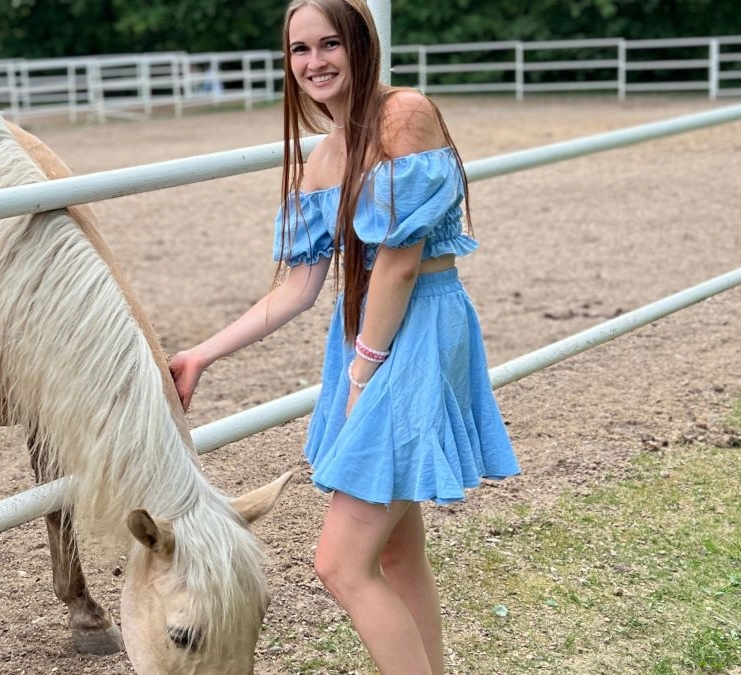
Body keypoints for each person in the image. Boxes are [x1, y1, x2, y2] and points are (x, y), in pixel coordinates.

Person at [167, 0, 521, 673]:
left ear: (362, 45)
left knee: (339, 563)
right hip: (370, 335)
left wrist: (362, 373)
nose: (314, 62)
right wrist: (202, 353)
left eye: (330, 44)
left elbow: (400, 260)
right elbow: (296, 287)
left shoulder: (402, 115)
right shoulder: (323, 159)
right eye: (300, 50)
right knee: (392, 551)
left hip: (407, 331)